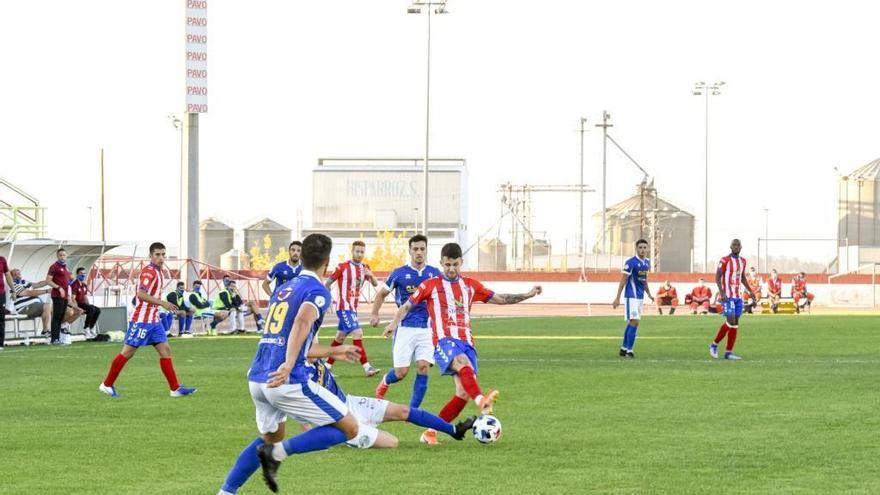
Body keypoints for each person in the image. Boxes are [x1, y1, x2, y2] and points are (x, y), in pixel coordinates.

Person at [216, 356, 475, 495]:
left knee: (403, 411)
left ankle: (453, 430)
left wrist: (334, 351)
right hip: (337, 419)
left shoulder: (304, 344)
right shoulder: (290, 368)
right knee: (392, 442)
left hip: (348, 402)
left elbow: (313, 347)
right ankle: (231, 487)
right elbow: (303, 411)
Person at [238, 233, 372, 494]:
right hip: (285, 379)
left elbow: (296, 339)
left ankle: (226, 491)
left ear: (304, 257)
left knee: (269, 436)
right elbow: (302, 322)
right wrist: (289, 364)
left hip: (258, 376)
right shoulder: (317, 291)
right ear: (327, 262)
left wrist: (334, 350)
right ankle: (276, 454)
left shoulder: (284, 289)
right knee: (350, 428)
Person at [385, 242, 541, 445]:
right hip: (443, 340)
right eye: (447, 264)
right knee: (462, 364)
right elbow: (406, 306)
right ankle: (481, 401)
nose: (451, 269)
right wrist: (394, 324)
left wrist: (528, 294)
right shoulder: (430, 285)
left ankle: (430, 432)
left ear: (461, 263)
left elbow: (501, 299)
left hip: (466, 341)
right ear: (441, 263)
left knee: (462, 392)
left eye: (455, 265)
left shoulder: (470, 285)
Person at [98, 242, 197, 398]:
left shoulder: (159, 272)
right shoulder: (149, 272)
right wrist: (162, 303)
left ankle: (175, 388)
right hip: (142, 320)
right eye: (157, 254)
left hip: (153, 319)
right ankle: (107, 385)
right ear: (150, 256)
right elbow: (141, 294)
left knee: (165, 350)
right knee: (128, 352)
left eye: (163, 254)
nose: (161, 258)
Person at [370, 234, 440, 417]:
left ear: (426, 250)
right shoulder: (399, 273)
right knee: (401, 372)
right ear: (410, 251)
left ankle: (413, 412)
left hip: (427, 328)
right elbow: (381, 295)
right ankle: (385, 381)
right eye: (415, 249)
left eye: (422, 249)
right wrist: (375, 314)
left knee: (424, 366)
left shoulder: (435, 273)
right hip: (404, 328)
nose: (419, 252)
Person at [325, 240, 380, 376]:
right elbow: (327, 283)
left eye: (362, 252)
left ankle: (326, 367)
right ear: (352, 251)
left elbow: (375, 283)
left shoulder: (365, 268)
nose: (360, 254)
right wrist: (327, 302)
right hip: (344, 307)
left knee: (340, 338)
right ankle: (368, 367)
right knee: (358, 333)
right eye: (357, 251)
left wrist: (370, 275)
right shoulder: (342, 267)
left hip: (353, 309)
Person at [709, 239, 758, 360]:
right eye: (734, 245)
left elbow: (742, 278)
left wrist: (750, 291)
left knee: (735, 324)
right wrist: (722, 292)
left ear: (741, 247)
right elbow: (717, 276)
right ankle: (714, 345)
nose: (736, 247)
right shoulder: (724, 260)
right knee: (730, 321)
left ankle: (728, 352)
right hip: (728, 296)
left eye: (738, 245)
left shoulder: (743, 261)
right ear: (730, 247)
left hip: (738, 296)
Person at [612, 239, 655, 358]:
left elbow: (644, 280)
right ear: (636, 248)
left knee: (632, 322)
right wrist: (617, 298)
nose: (642, 250)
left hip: (640, 297)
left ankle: (623, 348)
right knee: (635, 322)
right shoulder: (630, 262)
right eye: (640, 247)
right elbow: (623, 280)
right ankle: (629, 350)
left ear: (647, 249)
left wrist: (649, 294)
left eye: (644, 247)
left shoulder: (647, 262)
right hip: (631, 296)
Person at [10, 268, 52, 335]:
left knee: (52, 308)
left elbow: (38, 284)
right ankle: (47, 331)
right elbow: (28, 293)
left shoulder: (25, 282)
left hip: (35, 306)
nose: (18, 276)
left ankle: (48, 331)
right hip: (24, 308)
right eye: (15, 275)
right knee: (47, 306)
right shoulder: (13, 285)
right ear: (11, 277)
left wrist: (50, 280)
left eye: (19, 274)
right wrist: (47, 291)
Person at [46, 248, 72, 345]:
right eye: (60, 255)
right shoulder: (54, 266)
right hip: (57, 295)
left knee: (61, 317)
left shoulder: (65, 267)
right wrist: (59, 288)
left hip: (65, 296)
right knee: (56, 317)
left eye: (64, 255)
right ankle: (54, 339)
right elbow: (48, 280)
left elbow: (67, 280)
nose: (62, 257)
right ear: (57, 256)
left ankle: (58, 338)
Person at [70, 267, 101, 340]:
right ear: (77, 274)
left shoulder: (84, 285)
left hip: (84, 304)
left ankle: (91, 328)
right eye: (81, 274)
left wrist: (89, 305)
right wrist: (77, 308)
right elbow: (73, 298)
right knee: (91, 309)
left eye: (84, 273)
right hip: (78, 304)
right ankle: (86, 328)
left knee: (97, 310)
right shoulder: (75, 285)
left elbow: (85, 297)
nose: (83, 275)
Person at [0, 254, 15, 351]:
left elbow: (8, 275)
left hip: (1, 294)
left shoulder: (2, 259)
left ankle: (0, 344)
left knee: (1, 318)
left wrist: (13, 290)